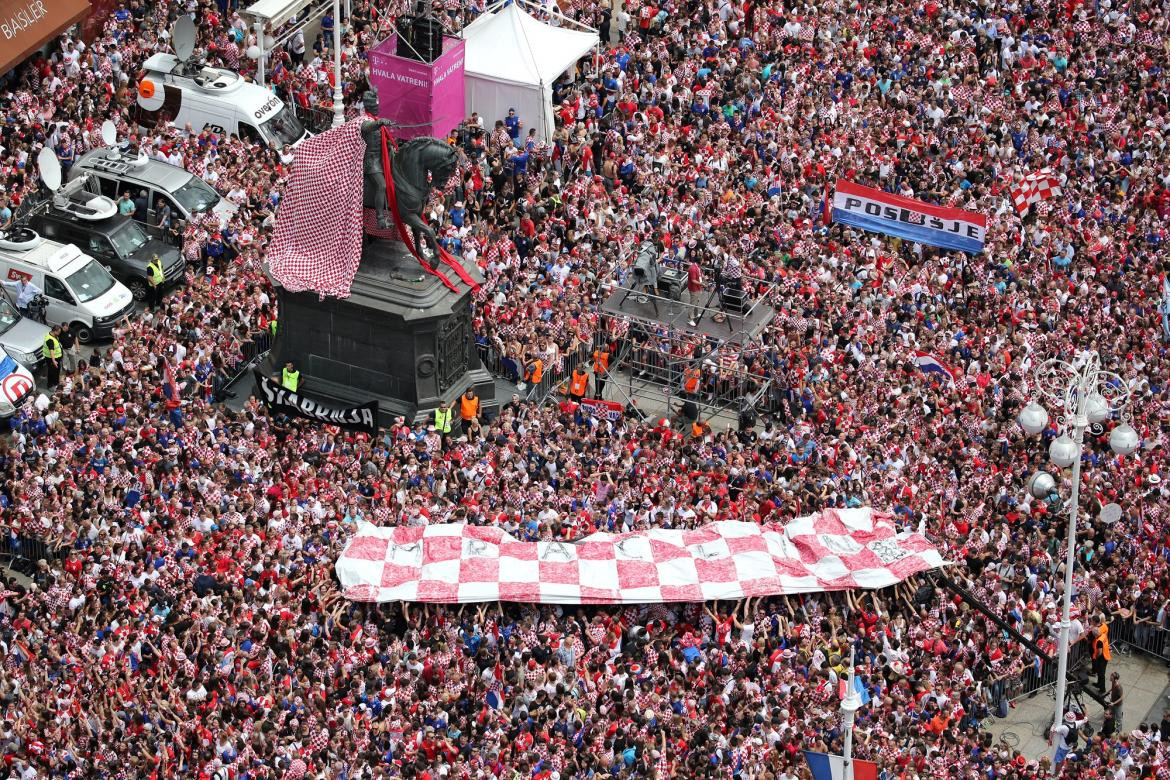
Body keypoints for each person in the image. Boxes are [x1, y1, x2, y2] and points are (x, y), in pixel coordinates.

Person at [1091, 615, 1111, 690]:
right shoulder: (1102, 635)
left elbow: (1099, 652)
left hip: (1102, 657)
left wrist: (1096, 657)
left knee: (1101, 673)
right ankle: (1099, 684)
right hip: (1105, 656)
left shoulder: (1099, 641)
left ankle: (1102, 689)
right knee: (1100, 672)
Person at [686, 257, 703, 326]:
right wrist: (701, 284)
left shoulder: (697, 267)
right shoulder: (693, 268)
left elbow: (698, 275)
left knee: (696, 302)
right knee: (692, 304)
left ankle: (695, 314)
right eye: (702, 261)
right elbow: (693, 280)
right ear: (700, 261)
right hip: (694, 289)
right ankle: (690, 319)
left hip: (697, 288)